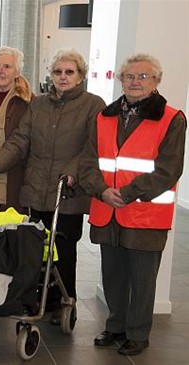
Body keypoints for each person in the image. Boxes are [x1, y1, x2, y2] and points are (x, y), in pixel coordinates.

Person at [0, 49, 106, 323]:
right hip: (36, 188)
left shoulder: (93, 105)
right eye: (58, 72)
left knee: (64, 251)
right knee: (35, 248)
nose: (62, 77)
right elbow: (19, 140)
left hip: (68, 191)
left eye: (69, 72)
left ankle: (65, 302)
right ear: (51, 75)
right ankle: (38, 299)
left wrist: (71, 172)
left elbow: (91, 148)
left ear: (80, 76)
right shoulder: (38, 105)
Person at [79, 54, 186, 356]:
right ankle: (115, 326)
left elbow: (168, 170)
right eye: (129, 76)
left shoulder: (172, 119)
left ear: (156, 82)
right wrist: (101, 190)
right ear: (120, 79)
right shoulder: (104, 117)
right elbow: (88, 161)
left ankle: (138, 333)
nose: (135, 82)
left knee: (142, 278)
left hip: (145, 214)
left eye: (144, 77)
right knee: (112, 274)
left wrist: (125, 194)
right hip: (107, 209)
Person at [0, 46, 33, 213]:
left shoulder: (29, 103)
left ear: (17, 72)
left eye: (7, 66)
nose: (0, 71)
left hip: (14, 177)